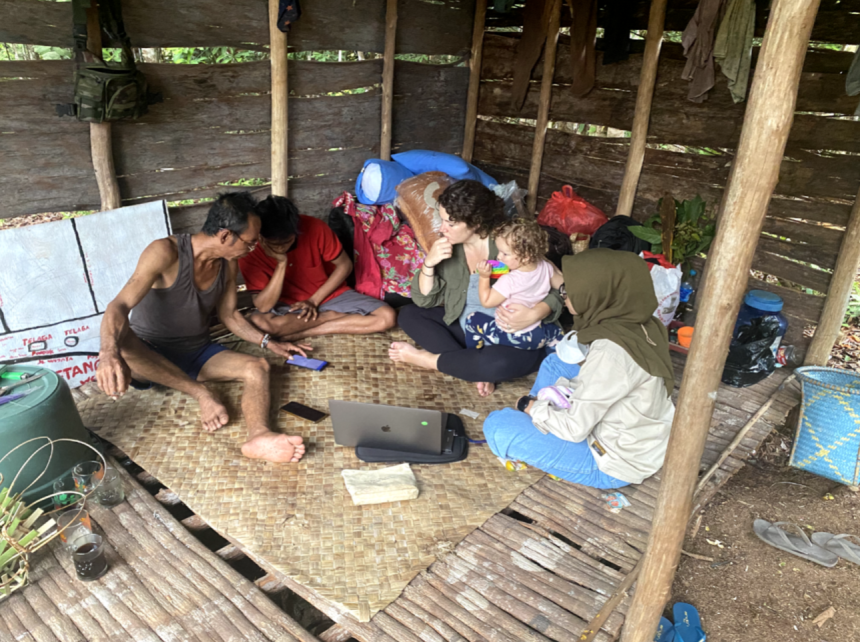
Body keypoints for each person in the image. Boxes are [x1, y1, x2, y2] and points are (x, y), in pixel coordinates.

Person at [96, 192, 310, 464]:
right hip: (147, 351)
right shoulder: (165, 252)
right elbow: (119, 306)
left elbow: (230, 314)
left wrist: (267, 342)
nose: (253, 248)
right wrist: (107, 353)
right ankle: (200, 392)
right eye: (250, 242)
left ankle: (259, 435)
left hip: (195, 350)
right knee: (121, 342)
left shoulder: (228, 263)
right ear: (225, 236)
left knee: (258, 367)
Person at [482, 249, 676, 488]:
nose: (563, 295)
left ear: (597, 293)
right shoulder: (642, 322)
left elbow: (575, 429)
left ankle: (540, 421)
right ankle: (544, 419)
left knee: (498, 426)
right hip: (640, 432)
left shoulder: (612, 353)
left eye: (568, 290)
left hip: (612, 462)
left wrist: (530, 406)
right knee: (557, 363)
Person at [389, 180, 565, 397]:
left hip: (511, 336)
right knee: (409, 315)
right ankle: (471, 366)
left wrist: (537, 312)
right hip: (471, 329)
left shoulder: (508, 244)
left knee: (498, 363)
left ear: (476, 222)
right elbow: (424, 300)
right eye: (442, 221)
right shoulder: (447, 249)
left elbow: (557, 283)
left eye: (451, 224)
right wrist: (429, 263)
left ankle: (430, 360)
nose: (442, 229)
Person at [239, 195, 397, 341]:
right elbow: (263, 306)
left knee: (387, 317)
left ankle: (307, 331)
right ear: (260, 236)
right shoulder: (250, 250)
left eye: (286, 242)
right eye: (274, 245)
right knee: (260, 323)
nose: (280, 249)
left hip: (329, 295)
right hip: (288, 306)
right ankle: (331, 317)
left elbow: (345, 265)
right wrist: (282, 263)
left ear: (296, 229)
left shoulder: (314, 227)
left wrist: (313, 300)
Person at [466, 218, 564, 350]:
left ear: (525, 257)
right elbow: (562, 285)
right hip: (537, 334)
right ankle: (552, 354)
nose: (499, 257)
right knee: (557, 332)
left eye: (505, 254)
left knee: (472, 319)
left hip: (512, 335)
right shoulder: (545, 267)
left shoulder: (510, 280)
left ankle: (473, 351)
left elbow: (486, 301)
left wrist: (484, 277)